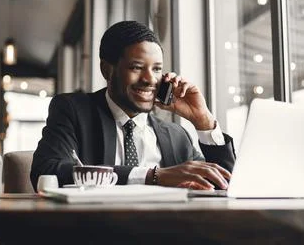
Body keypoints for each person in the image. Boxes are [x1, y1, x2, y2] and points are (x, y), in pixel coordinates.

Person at [30, 21, 236, 190]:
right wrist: (152, 176)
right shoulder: (74, 111)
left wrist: (203, 121)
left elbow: (225, 183)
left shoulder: (177, 135)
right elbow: (47, 171)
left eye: (157, 69)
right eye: (136, 67)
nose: (149, 79)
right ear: (107, 70)